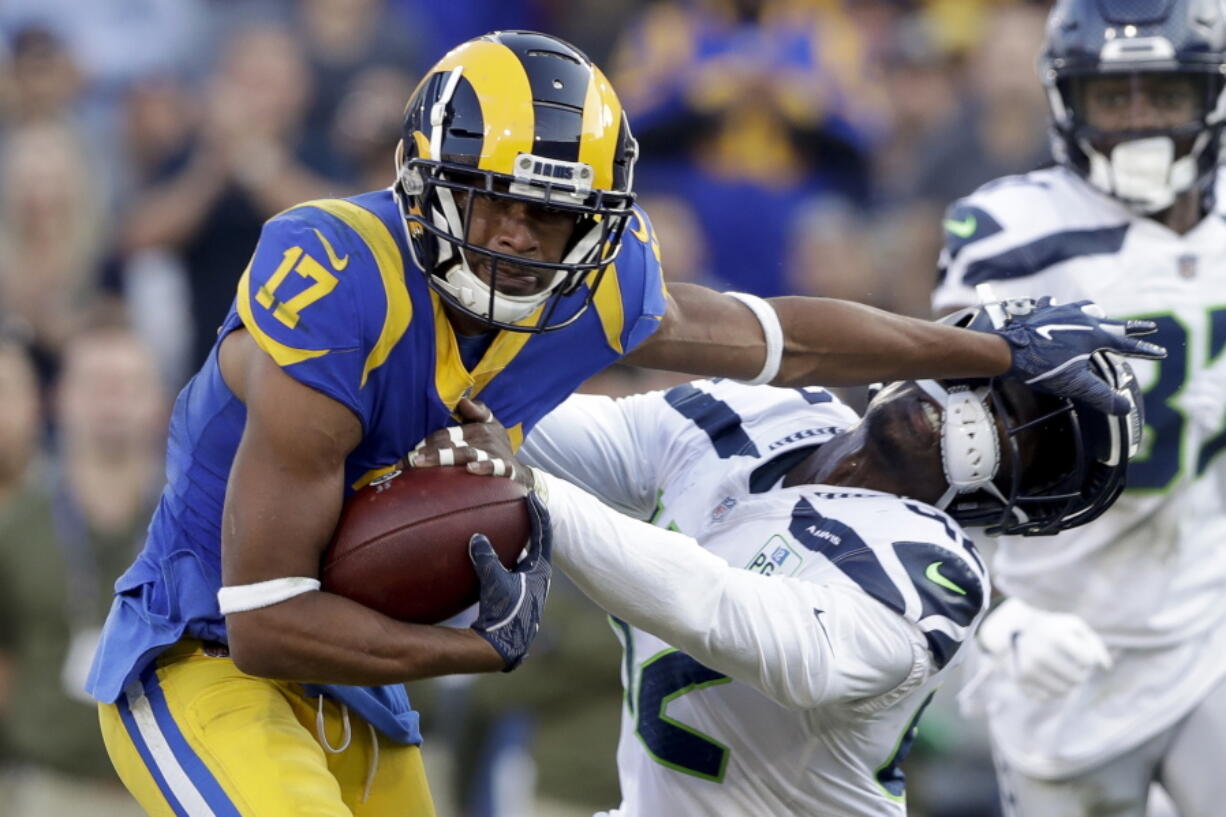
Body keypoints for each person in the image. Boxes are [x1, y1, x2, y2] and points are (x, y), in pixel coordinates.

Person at [86, 30, 1159, 817]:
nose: (515, 238)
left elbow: (776, 340)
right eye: (492, 199)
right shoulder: (336, 277)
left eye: (548, 213)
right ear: (422, 184)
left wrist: (991, 350)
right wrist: (463, 643)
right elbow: (269, 616)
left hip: (361, 688)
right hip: (212, 647)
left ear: (594, 224)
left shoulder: (590, 292)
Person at [410, 300, 1144, 817]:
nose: (977, 407)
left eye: (1016, 427)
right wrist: (423, 376)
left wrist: (533, 491)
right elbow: (519, 428)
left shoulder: (932, 571)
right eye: (993, 381)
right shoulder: (765, 412)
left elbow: (729, 613)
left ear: (1022, 493)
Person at [931, 2, 1226, 815]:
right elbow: (935, 442)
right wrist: (994, 617)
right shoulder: (1014, 232)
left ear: (1210, 95)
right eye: (1113, 96)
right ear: (1068, 102)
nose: (1138, 122)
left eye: (1163, 96)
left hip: (1204, 620)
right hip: (1058, 632)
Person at [0, 325, 164, 817]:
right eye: (94, 383)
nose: (109, 402)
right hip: (48, 789)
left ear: (157, 401)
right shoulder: (16, 527)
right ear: (58, 399)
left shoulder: (197, 528)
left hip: (166, 793)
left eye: (126, 385)